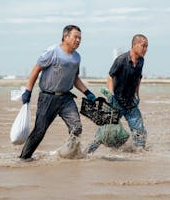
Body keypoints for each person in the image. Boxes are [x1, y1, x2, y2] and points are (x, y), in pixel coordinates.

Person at [19, 25, 96, 161]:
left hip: (66, 98)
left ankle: (70, 154)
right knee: (40, 131)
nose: (78, 40)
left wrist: (87, 92)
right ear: (65, 37)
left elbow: (75, 78)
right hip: (48, 97)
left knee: (76, 128)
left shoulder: (77, 57)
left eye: (80, 38)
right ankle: (24, 158)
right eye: (75, 37)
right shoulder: (52, 51)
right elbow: (36, 70)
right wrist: (28, 91)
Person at [87, 34, 148, 154]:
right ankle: (88, 153)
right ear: (134, 45)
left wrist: (137, 95)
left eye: (147, 46)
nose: (145, 49)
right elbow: (109, 78)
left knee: (140, 131)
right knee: (103, 132)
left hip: (131, 103)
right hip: (116, 103)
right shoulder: (121, 60)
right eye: (143, 46)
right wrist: (111, 95)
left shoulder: (141, 61)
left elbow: (138, 78)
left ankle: (140, 156)